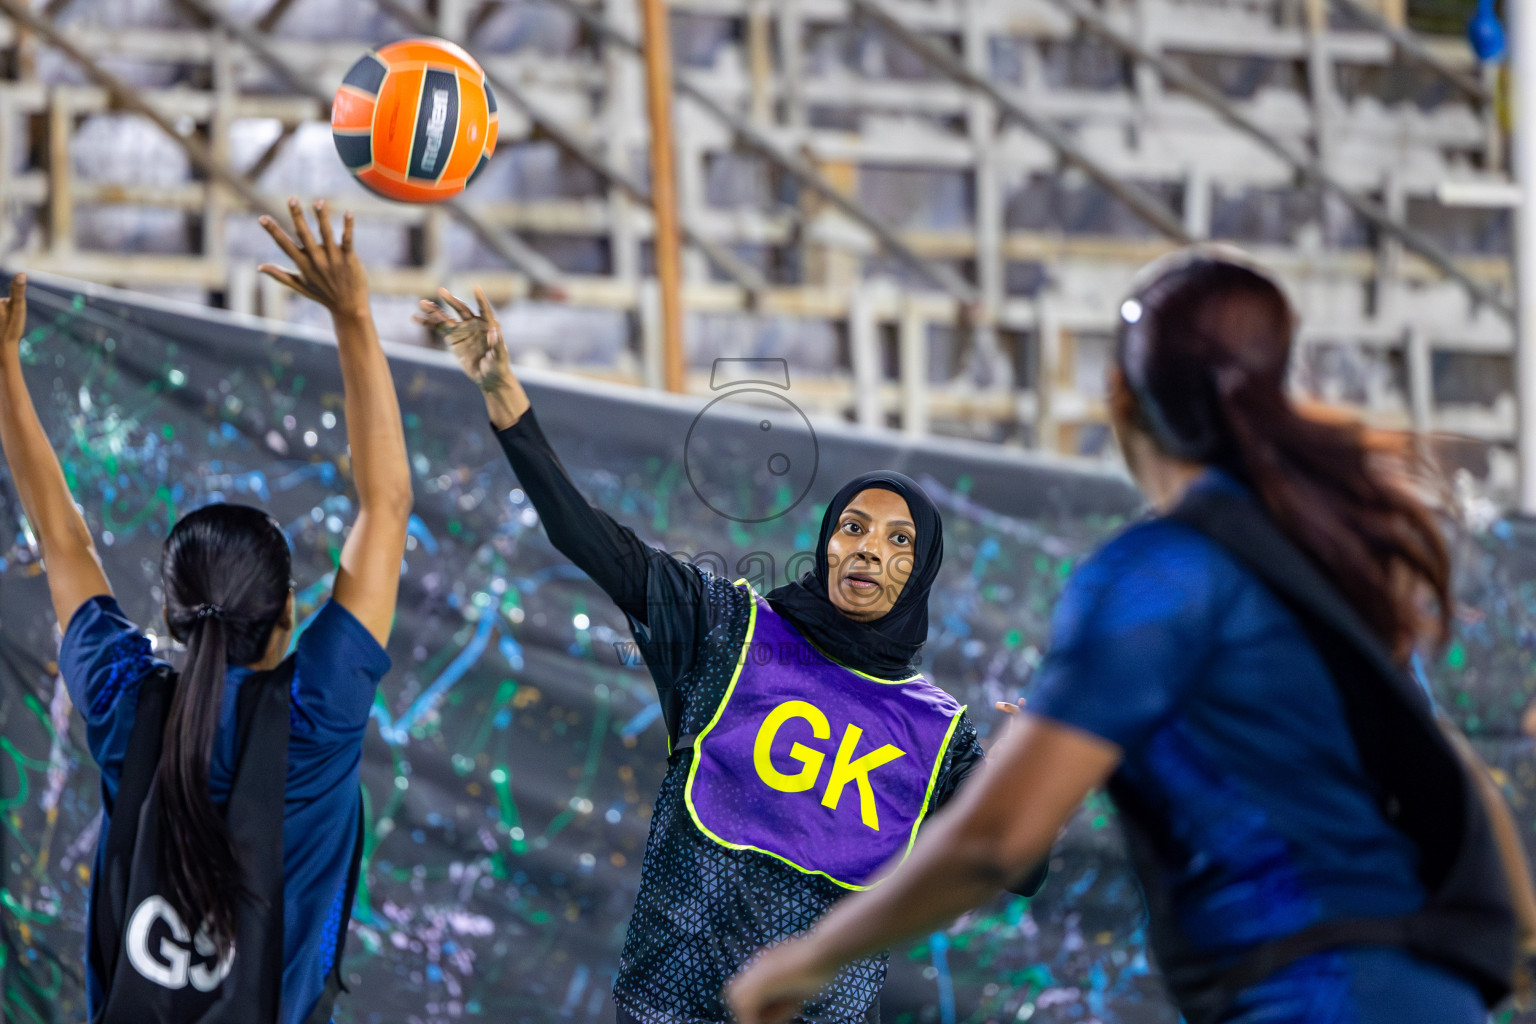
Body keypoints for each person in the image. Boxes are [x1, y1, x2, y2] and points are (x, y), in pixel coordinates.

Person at [723, 249, 1513, 1024]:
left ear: (1120, 397)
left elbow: (996, 842)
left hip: (1308, 994)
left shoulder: (1161, 574)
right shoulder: (1328, 561)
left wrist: (807, 958)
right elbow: (1465, 790)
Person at [417, 288, 1045, 1024]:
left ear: (923, 570)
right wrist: (503, 395)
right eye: (854, 526)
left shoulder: (938, 735)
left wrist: (1032, 770)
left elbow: (1022, 869)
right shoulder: (725, 629)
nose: (870, 547)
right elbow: (585, 536)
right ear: (827, 542)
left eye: (899, 539)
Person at [0, 200, 412, 1024]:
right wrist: (355, 314)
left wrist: (4, 369)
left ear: (171, 612)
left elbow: (60, 534)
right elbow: (388, 503)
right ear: (291, 615)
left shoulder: (126, 702)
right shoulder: (317, 713)